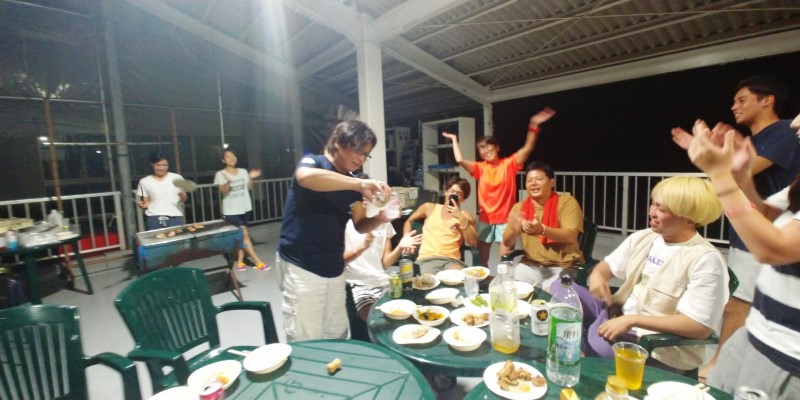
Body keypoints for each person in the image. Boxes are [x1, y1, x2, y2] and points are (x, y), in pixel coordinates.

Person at [671, 75, 800, 378]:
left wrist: (719, 171)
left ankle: (713, 369)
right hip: (763, 330)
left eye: (742, 99)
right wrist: (738, 174)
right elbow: (764, 211)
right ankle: (717, 370)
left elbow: (773, 249)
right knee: (738, 307)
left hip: (787, 356)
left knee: (737, 305)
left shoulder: (781, 132)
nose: (796, 124)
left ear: (767, 100)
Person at [558, 176, 728, 373]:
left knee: (591, 342)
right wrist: (598, 276)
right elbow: (606, 267)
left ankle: (584, 350)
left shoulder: (705, 259)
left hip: (654, 344)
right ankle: (584, 341)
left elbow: (699, 327)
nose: (651, 212)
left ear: (689, 218)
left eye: (662, 209)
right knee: (559, 290)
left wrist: (632, 320)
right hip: (617, 313)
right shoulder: (646, 237)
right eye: (653, 204)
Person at [277, 119, 392, 343]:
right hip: (302, 264)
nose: (361, 159)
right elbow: (305, 177)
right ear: (338, 142)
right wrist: (359, 184)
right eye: (359, 150)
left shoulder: (352, 183)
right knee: (306, 338)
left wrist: (380, 219)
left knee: (336, 334)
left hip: (335, 267)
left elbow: (360, 224)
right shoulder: (314, 162)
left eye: (366, 155)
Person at [443, 107, 556, 266]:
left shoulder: (509, 164)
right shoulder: (480, 168)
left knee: (505, 261)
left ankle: (504, 281)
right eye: (481, 148)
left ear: (497, 147)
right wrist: (454, 139)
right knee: (482, 261)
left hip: (506, 221)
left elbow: (528, 148)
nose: (485, 150)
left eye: (488, 146)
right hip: (485, 220)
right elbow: (460, 160)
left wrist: (534, 125)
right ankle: (485, 280)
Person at [501, 161, 584, 290]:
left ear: (552, 182)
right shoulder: (519, 208)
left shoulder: (567, 202)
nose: (533, 183)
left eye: (539, 179)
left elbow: (571, 236)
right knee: (510, 291)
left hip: (563, 266)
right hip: (530, 265)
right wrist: (515, 230)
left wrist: (542, 230)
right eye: (529, 180)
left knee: (551, 297)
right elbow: (507, 242)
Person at [344, 196, 422, 320]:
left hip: (382, 280)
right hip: (358, 284)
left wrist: (400, 247)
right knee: (374, 317)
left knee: (405, 310)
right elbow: (339, 260)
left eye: (367, 194)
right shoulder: (345, 223)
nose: (364, 198)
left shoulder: (384, 222)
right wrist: (362, 248)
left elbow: (385, 263)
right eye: (359, 195)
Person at [402, 176, 478, 274]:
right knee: (429, 280)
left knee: (457, 278)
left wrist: (461, 218)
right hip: (427, 259)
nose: (453, 195)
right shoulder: (429, 208)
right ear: (445, 192)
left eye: (459, 194)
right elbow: (408, 221)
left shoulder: (465, 215)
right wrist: (406, 237)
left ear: (463, 198)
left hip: (451, 261)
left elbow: (473, 242)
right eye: (452, 191)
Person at [214, 148, 269, 271]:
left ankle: (240, 261)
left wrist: (251, 178)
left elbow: (249, 187)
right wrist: (228, 182)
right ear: (223, 160)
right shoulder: (220, 174)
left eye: (233, 156)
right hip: (231, 210)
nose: (232, 158)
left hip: (245, 208)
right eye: (228, 156)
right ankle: (258, 262)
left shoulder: (243, 171)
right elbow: (223, 191)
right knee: (244, 233)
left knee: (240, 236)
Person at [137, 152, 187, 231]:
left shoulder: (177, 178)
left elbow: (183, 199)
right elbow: (146, 203)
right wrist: (142, 205)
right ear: (152, 164)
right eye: (158, 165)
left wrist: (182, 196)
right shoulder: (144, 181)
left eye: (165, 165)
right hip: (153, 219)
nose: (162, 168)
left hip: (175, 218)